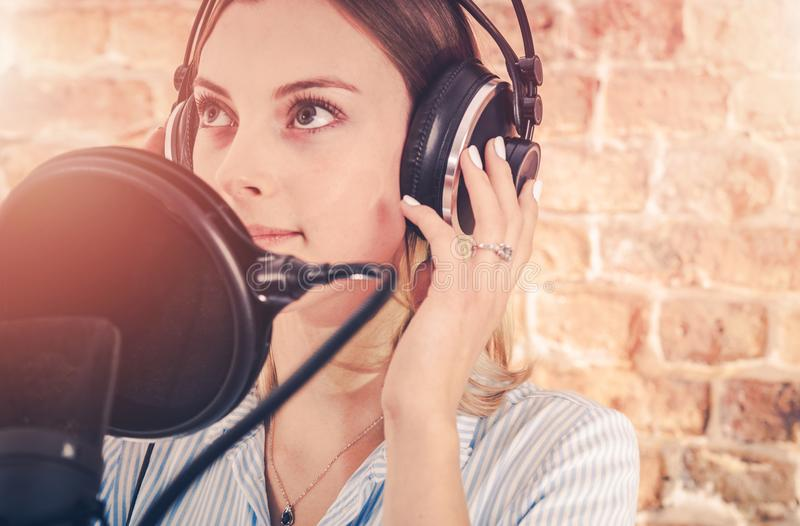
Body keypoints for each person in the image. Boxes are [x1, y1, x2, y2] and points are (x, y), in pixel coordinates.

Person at [98, 0, 640, 524]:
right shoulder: (142, 426)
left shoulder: (566, 457)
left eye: (310, 113)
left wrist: (420, 418)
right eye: (215, 112)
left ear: (442, 156)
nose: (235, 173)